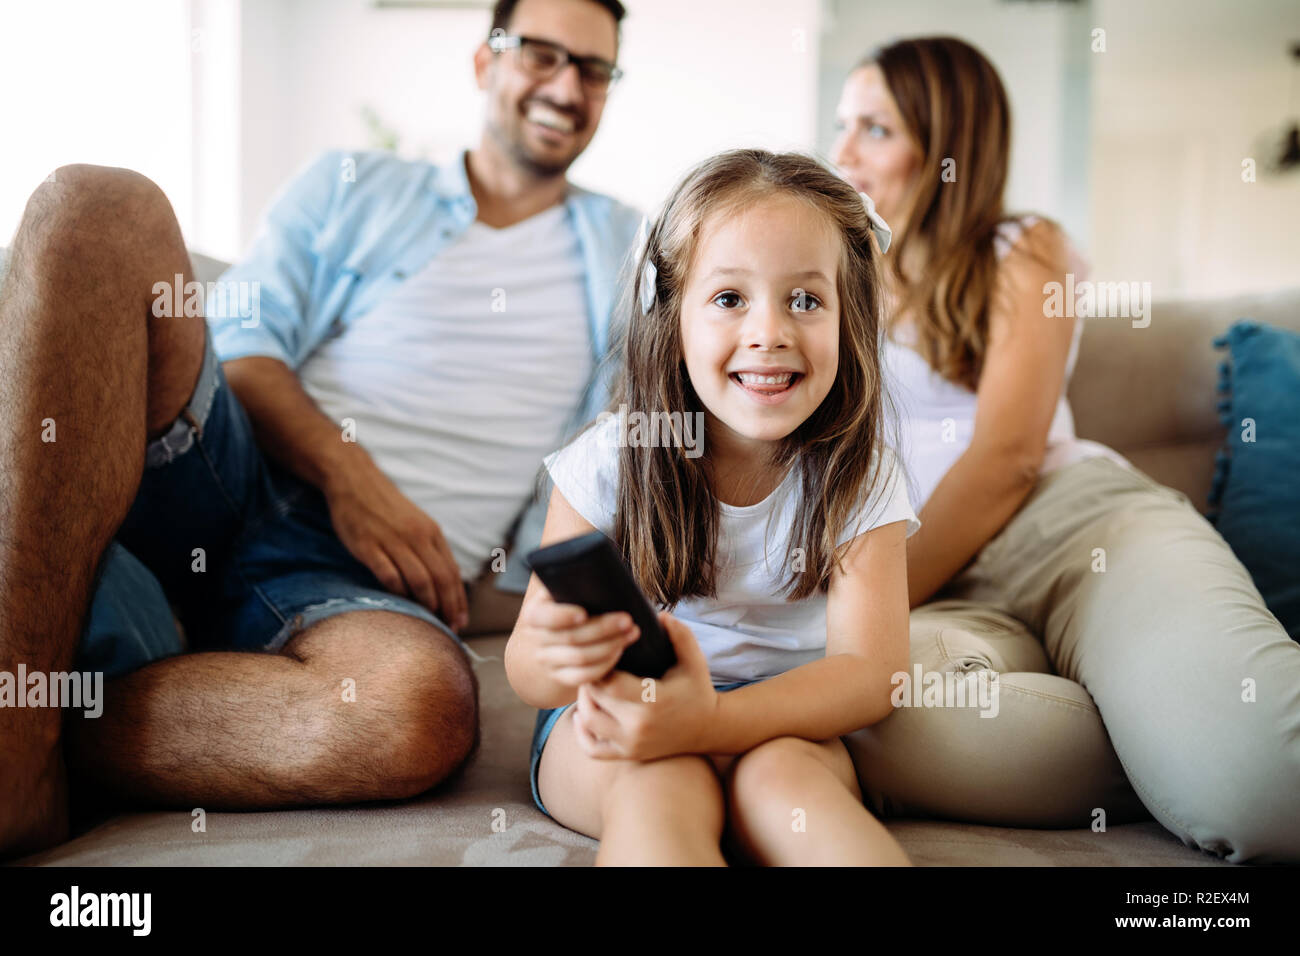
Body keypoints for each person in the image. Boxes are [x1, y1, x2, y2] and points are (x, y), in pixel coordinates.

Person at [0, 0, 638, 858]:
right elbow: (249, 347)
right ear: (485, 63)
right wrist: (350, 475)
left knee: (411, 705)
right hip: (229, 473)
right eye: (542, 54)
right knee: (99, 205)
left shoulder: (632, 253)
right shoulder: (356, 186)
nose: (566, 86)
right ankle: (16, 748)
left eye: (593, 69)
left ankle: (47, 730)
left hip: (348, 586)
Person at [829, 35, 1300, 863]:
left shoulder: (1023, 247)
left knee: (1269, 794)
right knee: (858, 716)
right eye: (842, 125)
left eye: (874, 128)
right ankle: (1160, 737)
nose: (841, 154)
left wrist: (863, 604)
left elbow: (1009, 456)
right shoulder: (835, 277)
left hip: (1071, 529)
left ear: (947, 143)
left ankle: (1190, 728)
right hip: (946, 586)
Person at [506, 149, 919, 866]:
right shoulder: (613, 457)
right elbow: (528, 671)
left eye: (806, 299)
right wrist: (551, 654)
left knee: (788, 785)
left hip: (782, 722)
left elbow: (871, 672)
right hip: (624, 719)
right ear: (670, 316)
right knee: (657, 788)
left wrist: (715, 720)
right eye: (730, 298)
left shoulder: (860, 471)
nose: (770, 333)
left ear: (850, 318)